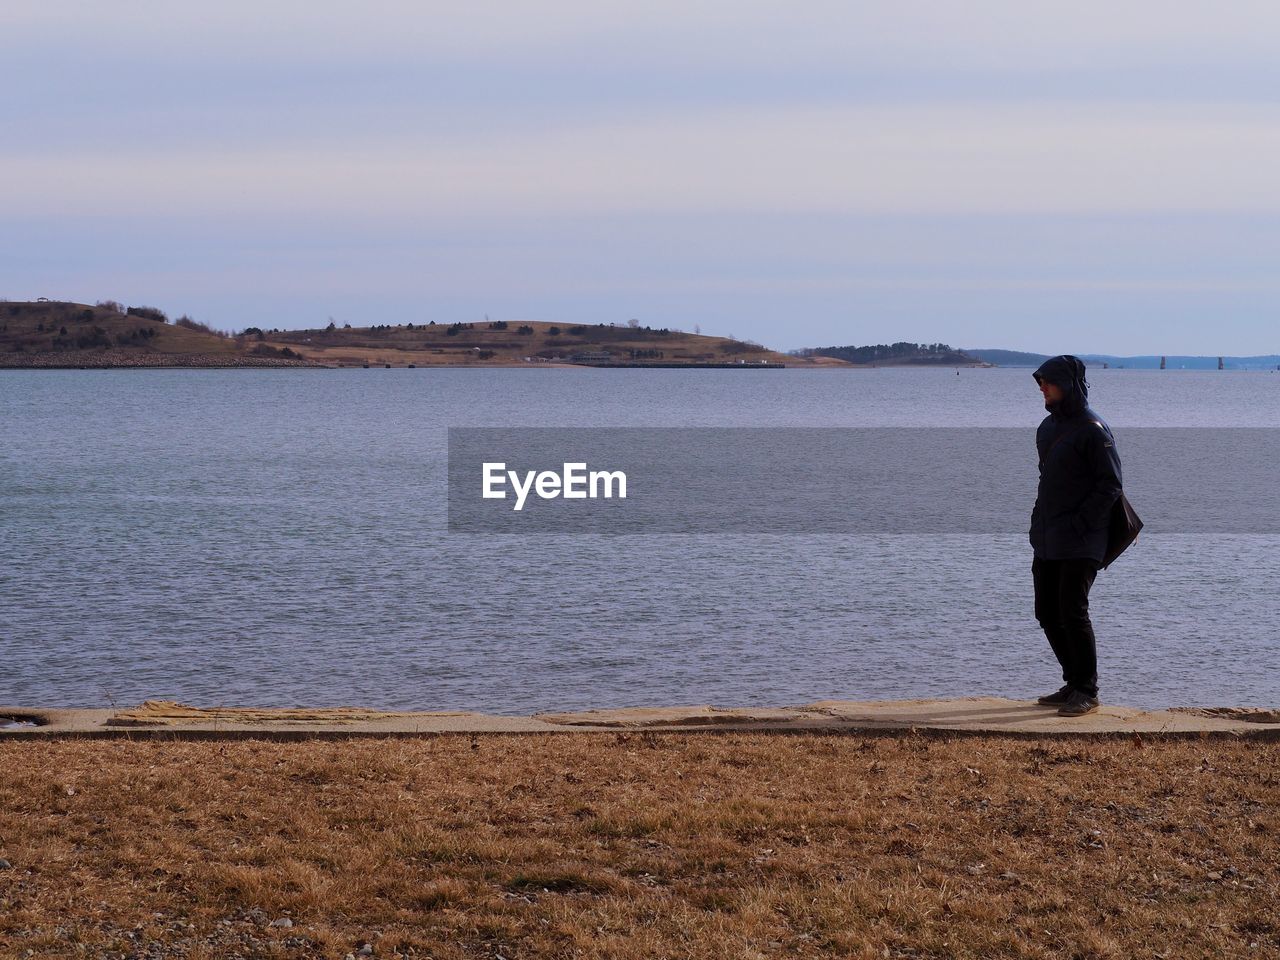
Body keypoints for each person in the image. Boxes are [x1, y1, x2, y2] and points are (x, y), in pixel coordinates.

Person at [1029, 355, 1122, 717]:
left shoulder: (1094, 428)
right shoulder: (1046, 428)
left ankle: (1087, 689)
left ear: (1067, 384)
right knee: (1046, 611)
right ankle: (1073, 681)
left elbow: (1110, 484)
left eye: (1047, 382)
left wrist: (1082, 524)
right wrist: (1038, 520)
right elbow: (1046, 479)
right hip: (1048, 536)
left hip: (1084, 538)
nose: (1041, 388)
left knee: (1072, 609)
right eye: (1039, 382)